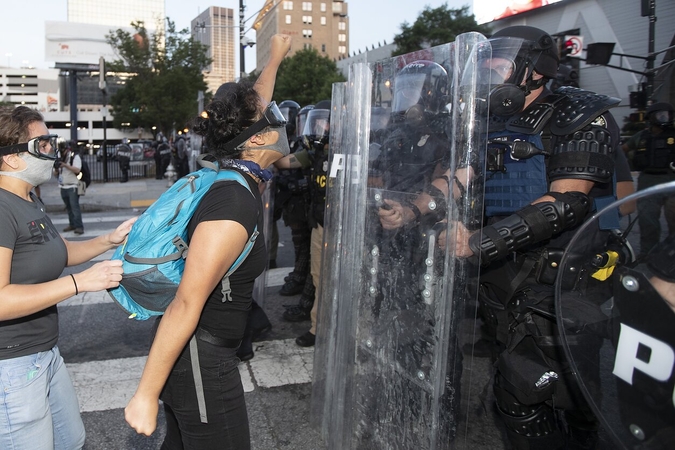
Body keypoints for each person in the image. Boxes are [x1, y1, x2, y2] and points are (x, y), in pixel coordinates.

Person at [381, 26, 626, 449]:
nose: (487, 77)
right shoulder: (489, 123)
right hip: (505, 274)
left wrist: (477, 241)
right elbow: (455, 179)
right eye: (484, 68)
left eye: (497, 66)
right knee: (515, 387)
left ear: (535, 71)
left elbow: (565, 203)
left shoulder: (582, 113)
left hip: (563, 276)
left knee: (559, 396)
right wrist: (412, 210)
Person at [124, 33, 292, 448]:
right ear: (256, 137)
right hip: (200, 359)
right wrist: (145, 394)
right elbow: (186, 300)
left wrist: (274, 58)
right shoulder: (233, 201)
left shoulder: (237, 172)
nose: (281, 121)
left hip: (202, 355)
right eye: (272, 118)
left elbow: (253, 107)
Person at [0, 106, 136, 449]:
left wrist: (109, 240)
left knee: (71, 440)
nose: (52, 151)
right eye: (43, 143)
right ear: (12, 158)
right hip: (12, 364)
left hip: (44, 353)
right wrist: (79, 283)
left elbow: (59, 252)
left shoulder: (27, 199)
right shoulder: (1, 208)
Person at [275, 100, 332, 347]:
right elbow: (285, 162)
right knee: (319, 276)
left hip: (345, 225)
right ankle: (318, 327)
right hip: (321, 221)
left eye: (323, 121)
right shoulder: (313, 154)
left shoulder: (354, 150)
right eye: (316, 121)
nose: (318, 127)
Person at [622, 101, 675, 257]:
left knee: (673, 219)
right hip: (648, 181)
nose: (665, 118)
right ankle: (648, 253)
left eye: (667, 115)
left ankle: (671, 254)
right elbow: (623, 149)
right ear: (651, 117)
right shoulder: (642, 136)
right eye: (661, 115)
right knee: (648, 220)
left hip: (671, 180)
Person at [55, 140, 85, 235]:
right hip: (63, 187)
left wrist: (65, 165)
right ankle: (72, 224)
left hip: (73, 187)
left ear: (67, 150)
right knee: (68, 207)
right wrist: (57, 168)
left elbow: (77, 169)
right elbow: (55, 174)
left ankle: (79, 226)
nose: (62, 153)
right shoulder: (60, 159)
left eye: (63, 151)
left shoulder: (74, 157)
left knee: (74, 207)